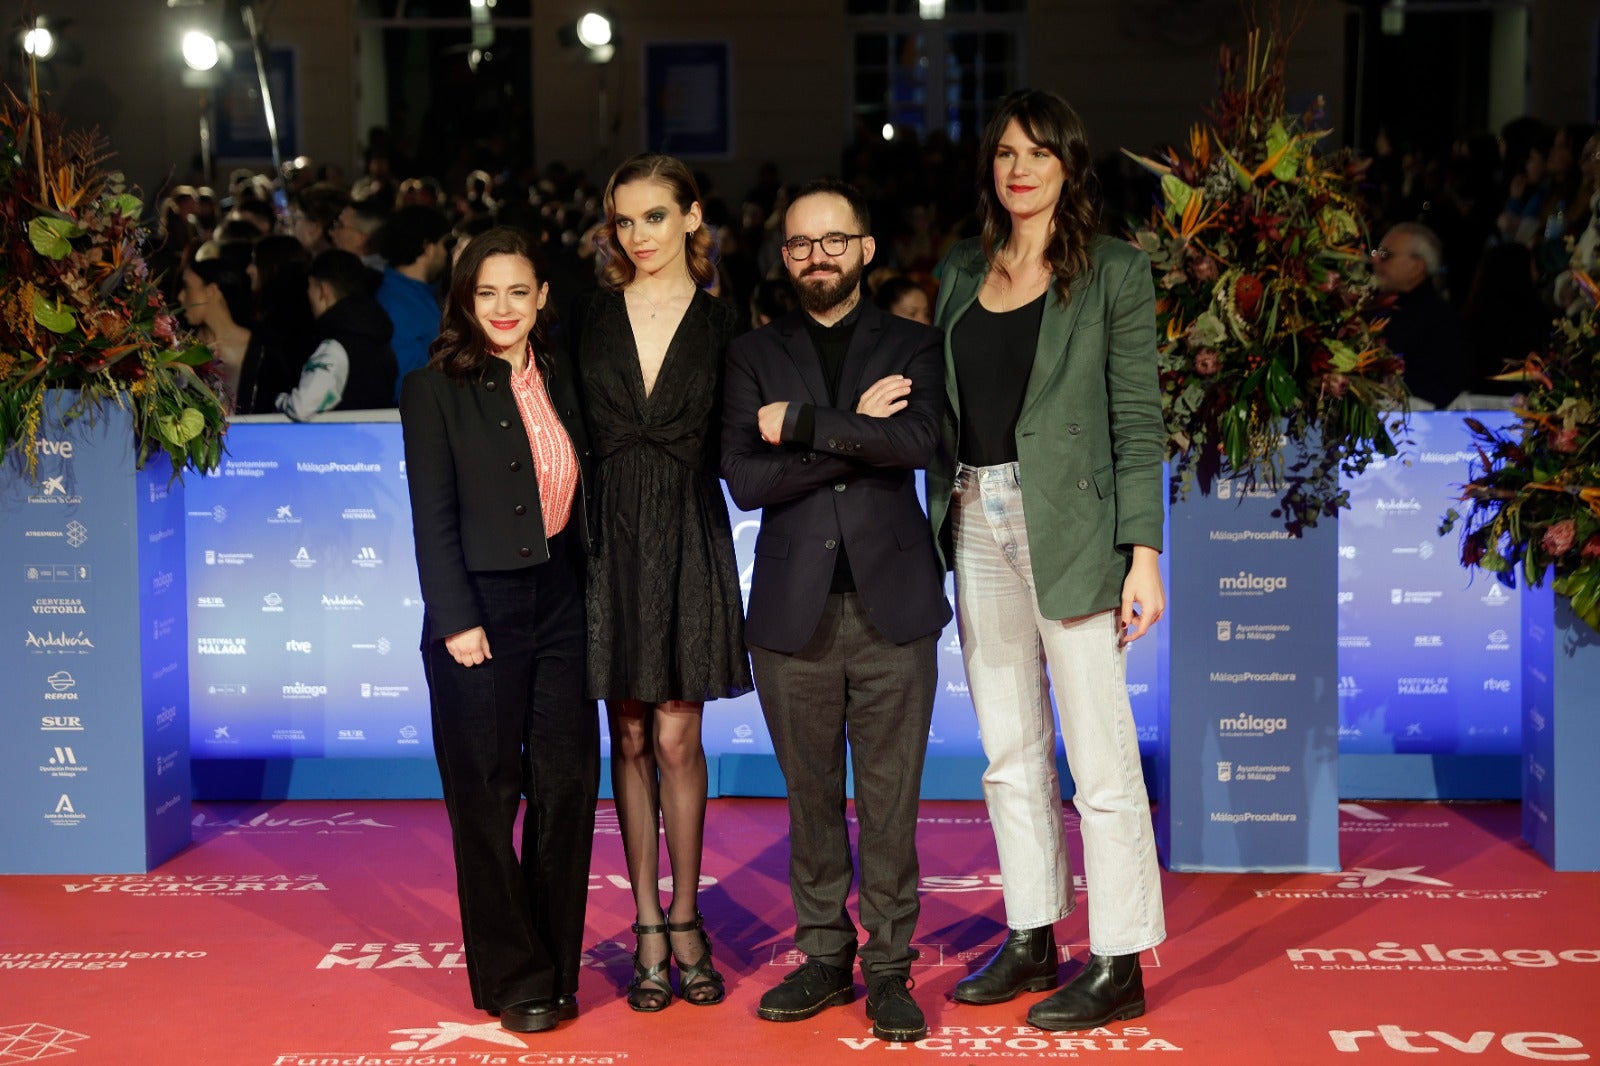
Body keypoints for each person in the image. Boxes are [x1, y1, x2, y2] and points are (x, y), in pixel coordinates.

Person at [927, 89, 1167, 1032]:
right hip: (972, 516)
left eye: (1037, 153)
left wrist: (1142, 553)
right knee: (1008, 751)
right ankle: (1033, 934)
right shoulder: (959, 270)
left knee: (1099, 758)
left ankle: (1120, 959)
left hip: (1068, 525)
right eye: (1004, 154)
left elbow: (1139, 424)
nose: (1019, 168)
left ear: (1070, 163)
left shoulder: (1115, 271)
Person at [722, 178, 950, 1043]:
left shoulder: (916, 344)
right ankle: (824, 954)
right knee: (810, 800)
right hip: (793, 614)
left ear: (865, 248)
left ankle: (890, 968)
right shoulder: (750, 355)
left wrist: (810, 423)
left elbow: (919, 443)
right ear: (784, 257)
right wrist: (856, 430)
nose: (817, 256)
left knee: (891, 801)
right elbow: (746, 480)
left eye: (834, 240)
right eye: (799, 244)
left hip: (895, 609)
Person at [398, 226, 598, 1034]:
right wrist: (456, 619)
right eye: (487, 293)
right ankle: (515, 977)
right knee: (486, 797)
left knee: (568, 784)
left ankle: (555, 961)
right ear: (465, 301)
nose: (504, 308)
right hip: (478, 608)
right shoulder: (434, 387)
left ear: (543, 297)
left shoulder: (566, 379)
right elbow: (432, 517)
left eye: (519, 291)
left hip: (563, 600)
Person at [576, 154, 751, 1013]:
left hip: (688, 535)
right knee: (633, 739)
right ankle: (645, 921)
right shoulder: (589, 319)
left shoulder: (728, 328)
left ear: (692, 218)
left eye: (654, 216)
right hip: (607, 541)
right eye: (624, 221)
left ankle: (689, 916)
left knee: (680, 740)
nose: (637, 235)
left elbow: (752, 440)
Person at [276, 249, 398, 419]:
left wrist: (278, 399)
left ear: (323, 290)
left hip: (337, 443)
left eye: (309, 287)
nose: (307, 295)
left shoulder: (334, 346)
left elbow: (302, 406)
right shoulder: (378, 337)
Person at [1371, 221, 1468, 409]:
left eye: (1385, 255)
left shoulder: (1441, 322)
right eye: (1376, 253)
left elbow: (1436, 392)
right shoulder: (1376, 308)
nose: (1374, 260)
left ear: (1417, 267)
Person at [377, 205, 451, 402]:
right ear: (427, 247)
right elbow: (406, 383)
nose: (446, 254)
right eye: (444, 245)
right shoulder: (396, 304)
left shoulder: (419, 295)